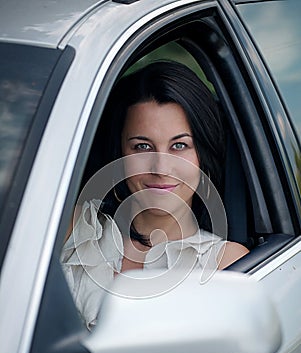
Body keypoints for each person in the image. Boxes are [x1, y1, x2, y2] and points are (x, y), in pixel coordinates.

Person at [61, 60, 249, 330]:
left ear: (202, 155)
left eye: (179, 145)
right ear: (120, 154)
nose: (161, 168)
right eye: (142, 146)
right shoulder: (74, 227)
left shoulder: (225, 264)